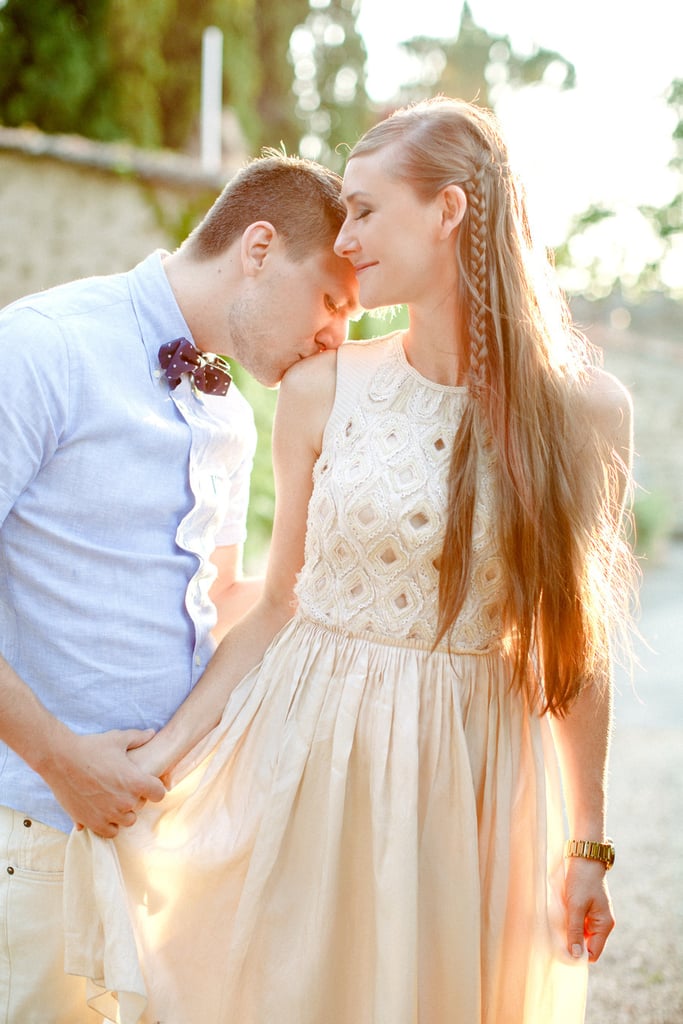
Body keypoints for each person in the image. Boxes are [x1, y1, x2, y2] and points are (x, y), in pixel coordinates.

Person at [63, 97, 636, 1024]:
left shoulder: (586, 414)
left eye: (365, 210)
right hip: (315, 764)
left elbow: (574, 649)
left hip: (475, 780)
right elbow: (279, 602)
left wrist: (589, 842)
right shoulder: (320, 386)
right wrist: (161, 759)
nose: (346, 234)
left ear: (448, 210)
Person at [0, 150, 359, 1024]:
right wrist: (55, 753)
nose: (335, 339)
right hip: (33, 824)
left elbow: (221, 597)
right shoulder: (40, 347)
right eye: (331, 302)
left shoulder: (231, 413)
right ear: (260, 246)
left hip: (166, 832)